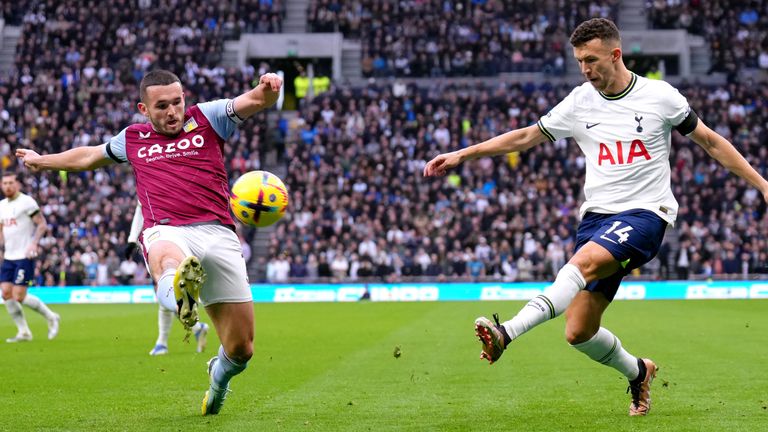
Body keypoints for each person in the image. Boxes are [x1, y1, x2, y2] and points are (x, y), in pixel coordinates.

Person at [423, 18, 768, 417]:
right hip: (597, 221)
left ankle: (506, 332)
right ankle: (639, 371)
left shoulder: (661, 97)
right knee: (579, 332)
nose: (585, 70)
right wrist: (464, 153)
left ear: (615, 54)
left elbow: (710, 141)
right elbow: (524, 137)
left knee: (581, 264)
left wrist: (761, 184)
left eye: (591, 60)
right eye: (579, 62)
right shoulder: (579, 101)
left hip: (645, 215)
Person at [17, 69, 283, 416]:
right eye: (162, 106)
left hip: (218, 232)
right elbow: (88, 156)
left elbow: (258, 100)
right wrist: (43, 161)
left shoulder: (209, 117)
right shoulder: (132, 139)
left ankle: (217, 380)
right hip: (166, 228)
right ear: (143, 108)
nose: (173, 112)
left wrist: (271, 85)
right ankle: (179, 297)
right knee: (167, 258)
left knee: (241, 350)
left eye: (177, 102)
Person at [124, 202, 210, 356]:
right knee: (167, 293)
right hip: (160, 236)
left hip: (166, 237)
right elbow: (140, 206)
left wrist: (132, 238)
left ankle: (163, 343)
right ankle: (195, 329)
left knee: (166, 288)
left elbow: (140, 206)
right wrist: (132, 239)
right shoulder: (150, 182)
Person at [0, 172, 60, 342]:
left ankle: (51, 316)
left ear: (17, 184)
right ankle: (24, 332)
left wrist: (34, 243)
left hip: (25, 254)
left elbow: (42, 224)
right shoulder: (1, 206)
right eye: (5, 183)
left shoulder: (27, 202)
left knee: (19, 295)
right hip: (9, 256)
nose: (8, 186)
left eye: (11, 182)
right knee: (5, 294)